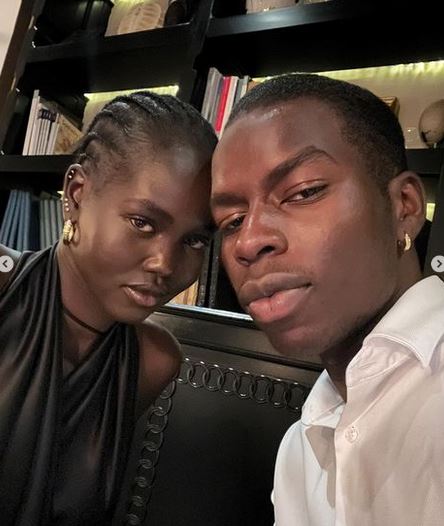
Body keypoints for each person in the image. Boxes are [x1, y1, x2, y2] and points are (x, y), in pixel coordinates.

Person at [210, 73, 444, 526]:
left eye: (303, 192)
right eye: (232, 221)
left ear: (405, 207)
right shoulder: (300, 450)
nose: (248, 242)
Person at [0, 91, 217, 525]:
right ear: (77, 193)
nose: (165, 264)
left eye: (195, 240)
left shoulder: (153, 360)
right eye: (142, 222)